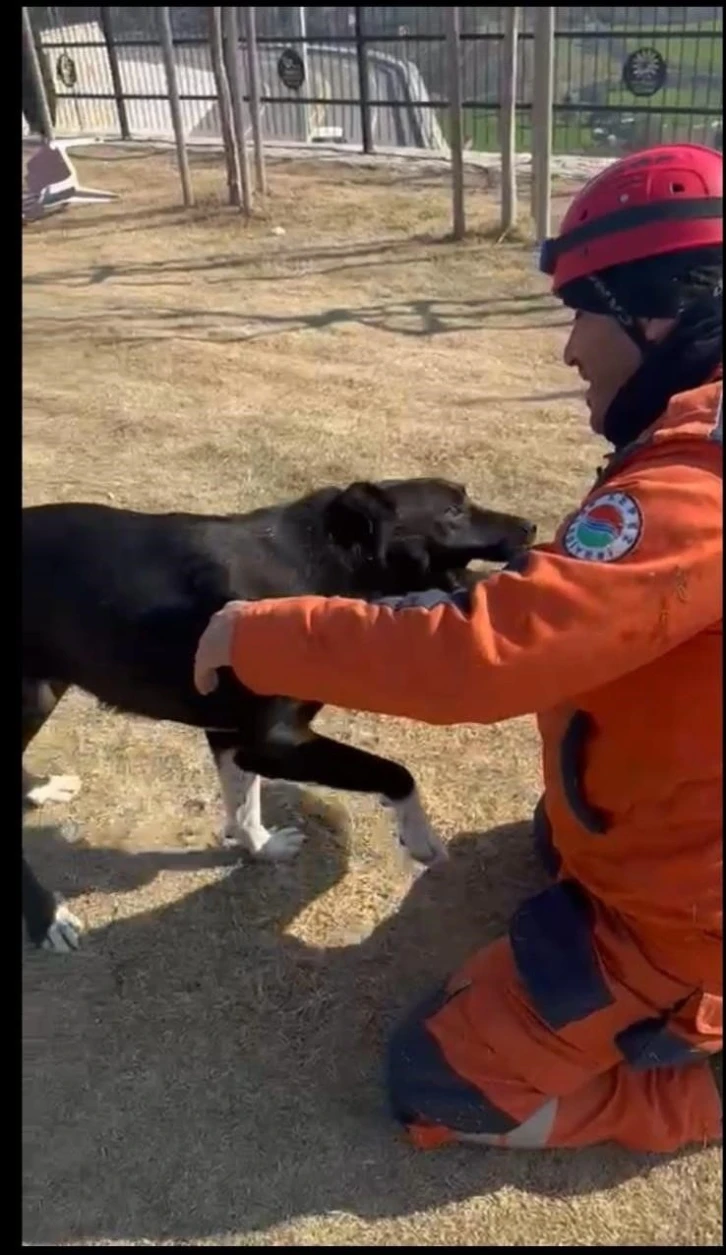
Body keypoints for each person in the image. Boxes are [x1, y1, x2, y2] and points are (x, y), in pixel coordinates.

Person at [193, 144, 723, 1154]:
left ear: (660, 315)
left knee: (438, 1085)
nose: (571, 350)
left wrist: (260, 632)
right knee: (549, 839)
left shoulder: (700, 481)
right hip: (675, 822)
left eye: (583, 312)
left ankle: (701, 1086)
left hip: (689, 915)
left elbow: (484, 656)